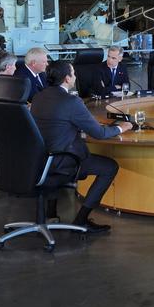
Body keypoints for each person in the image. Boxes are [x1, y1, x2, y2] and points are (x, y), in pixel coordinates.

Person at [30, 60, 133, 234]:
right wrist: (120, 127)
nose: (76, 76)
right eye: (73, 73)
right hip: (63, 161)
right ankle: (81, 220)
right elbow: (99, 133)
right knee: (109, 167)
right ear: (67, 78)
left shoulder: (39, 97)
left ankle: (51, 213)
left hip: (38, 160)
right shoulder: (71, 101)